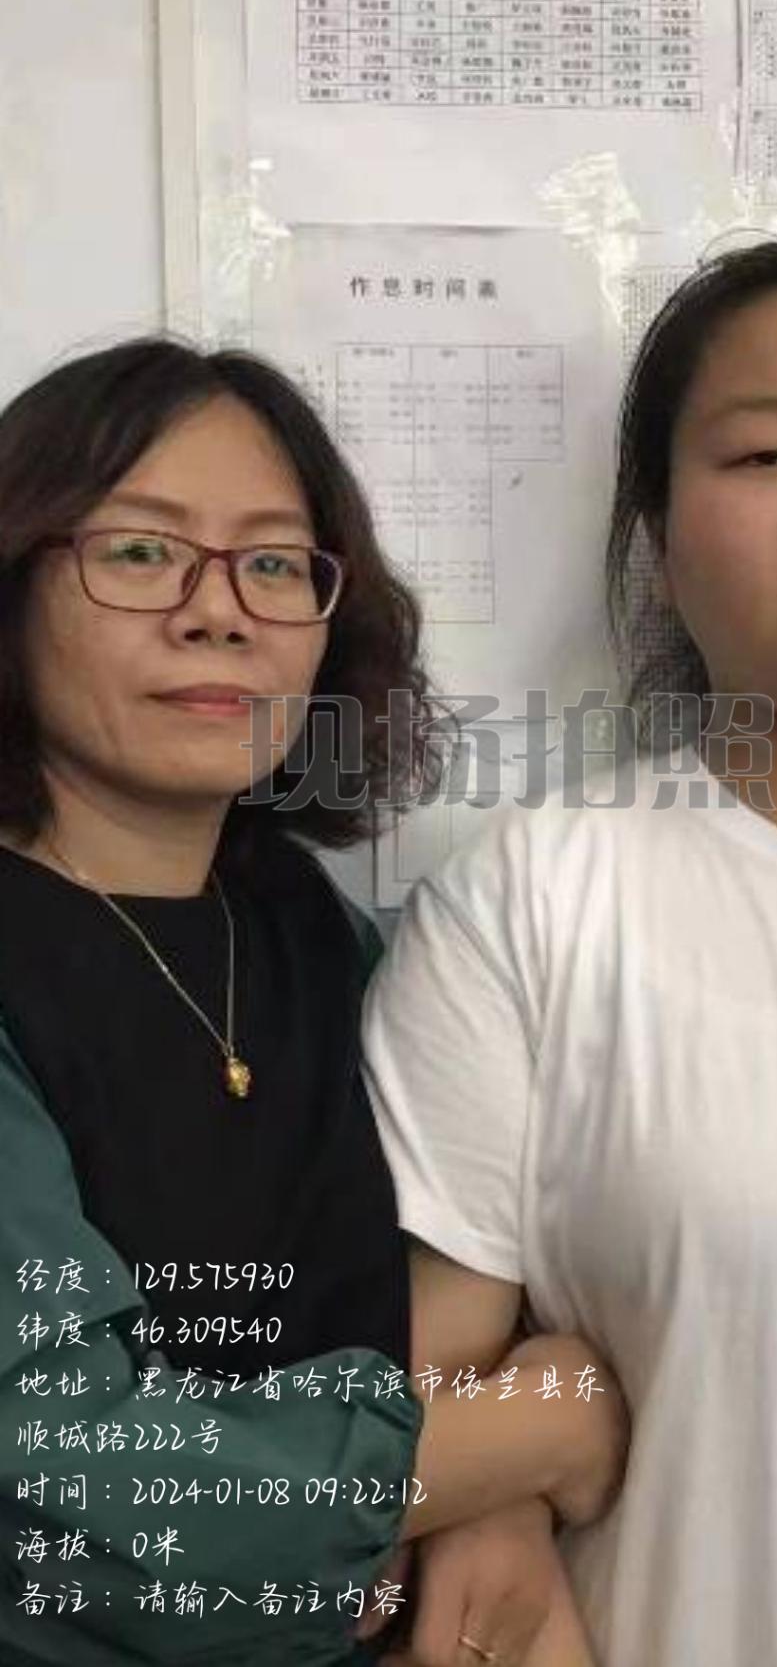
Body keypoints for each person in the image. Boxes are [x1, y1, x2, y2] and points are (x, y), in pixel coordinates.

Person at [361, 233, 777, 1666]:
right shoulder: (537, 900)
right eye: (764, 455)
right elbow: (426, 1399)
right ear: (659, 546)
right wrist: (500, 1487)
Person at [0, 338, 627, 1666]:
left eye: (276, 564)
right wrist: (547, 1427)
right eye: (140, 551)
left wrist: (484, 1499)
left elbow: (483, 1255)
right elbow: (77, 1494)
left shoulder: (316, 928)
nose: (219, 611)